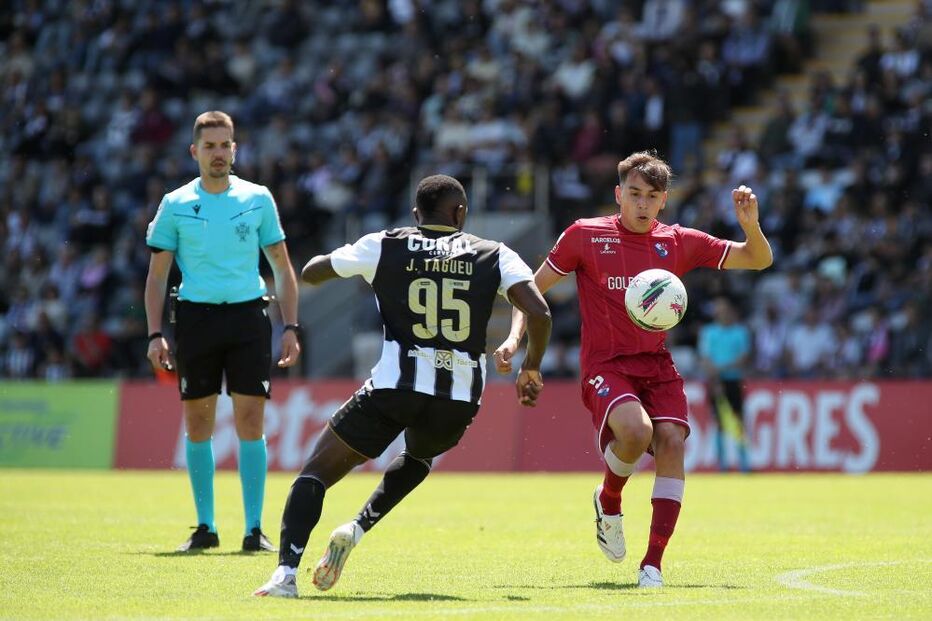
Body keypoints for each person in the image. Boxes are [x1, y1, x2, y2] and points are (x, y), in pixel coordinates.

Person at [253, 174, 551, 598]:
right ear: (460, 213)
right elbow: (539, 312)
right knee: (418, 457)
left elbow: (313, 273)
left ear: (416, 214)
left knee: (315, 473)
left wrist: (355, 261)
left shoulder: (387, 244)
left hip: (395, 388)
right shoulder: (495, 253)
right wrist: (530, 366)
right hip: (458, 398)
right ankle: (357, 528)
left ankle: (285, 575)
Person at [494, 151, 772, 587]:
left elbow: (758, 259)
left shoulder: (677, 241)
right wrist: (515, 340)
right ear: (618, 193)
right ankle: (609, 500)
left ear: (664, 200)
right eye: (635, 193)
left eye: (652, 196)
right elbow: (529, 290)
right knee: (637, 432)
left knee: (672, 443)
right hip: (606, 365)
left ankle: (652, 566)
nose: (643, 204)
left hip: (657, 365)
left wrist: (750, 225)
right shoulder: (585, 235)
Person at [144, 111, 301, 553]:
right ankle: (205, 527)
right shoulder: (175, 204)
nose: (218, 153)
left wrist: (291, 326)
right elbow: (157, 277)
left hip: (249, 317)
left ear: (235, 149)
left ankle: (254, 530)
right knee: (198, 423)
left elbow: (282, 267)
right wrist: (155, 333)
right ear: (194, 151)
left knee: (251, 420)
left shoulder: (258, 198)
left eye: (225, 145)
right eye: (210, 146)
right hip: (196, 320)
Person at [698, 296, 751, 472]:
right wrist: (716, 375)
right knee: (719, 422)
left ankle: (744, 464)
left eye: (724, 310)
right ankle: (722, 465)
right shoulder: (709, 332)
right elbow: (705, 358)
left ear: (731, 311)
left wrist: (721, 368)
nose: (722, 313)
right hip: (716, 381)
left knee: (738, 420)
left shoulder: (740, 332)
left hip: (734, 380)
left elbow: (744, 358)